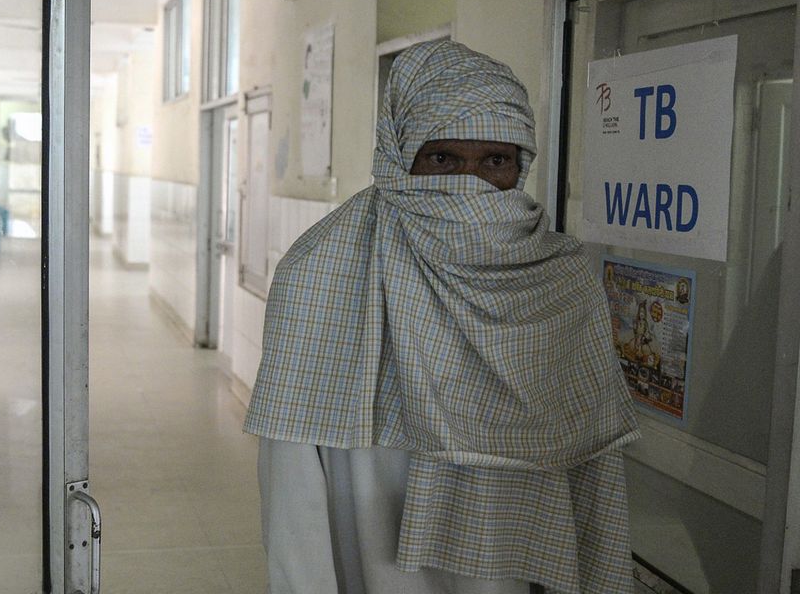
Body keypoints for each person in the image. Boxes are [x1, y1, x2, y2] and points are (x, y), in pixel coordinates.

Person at [244, 40, 639, 594]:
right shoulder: (325, 272)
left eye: (495, 161)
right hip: (378, 563)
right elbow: (291, 496)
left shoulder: (560, 282)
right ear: (398, 157)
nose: (469, 186)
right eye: (443, 160)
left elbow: (592, 479)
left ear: (520, 164)